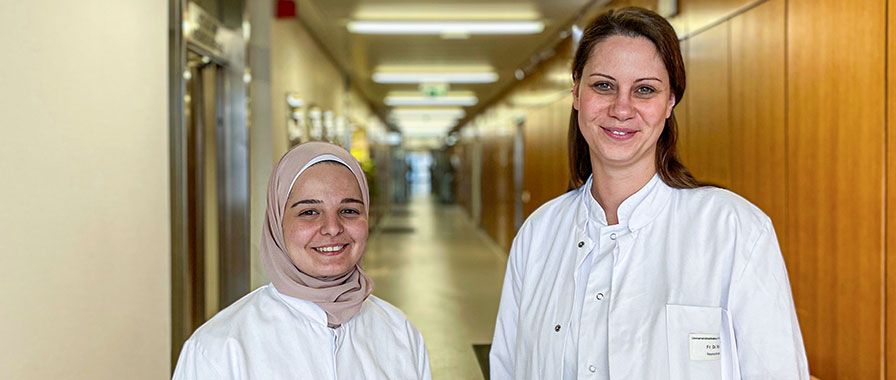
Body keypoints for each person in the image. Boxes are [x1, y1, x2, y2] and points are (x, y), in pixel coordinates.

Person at [490, 7, 808, 380]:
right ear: (576, 92)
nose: (621, 108)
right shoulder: (539, 234)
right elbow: (508, 369)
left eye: (645, 90)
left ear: (670, 102)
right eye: (603, 85)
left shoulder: (734, 230)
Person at [174, 142, 431, 379]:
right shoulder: (220, 348)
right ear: (277, 222)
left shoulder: (399, 333)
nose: (332, 227)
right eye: (309, 212)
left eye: (349, 210)